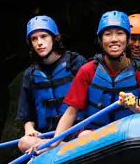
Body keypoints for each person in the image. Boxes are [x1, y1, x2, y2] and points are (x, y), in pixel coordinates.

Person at [30, 11, 140, 153]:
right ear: (100, 40)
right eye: (108, 34)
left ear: (128, 39)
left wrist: (134, 107)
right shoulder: (88, 71)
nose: (114, 39)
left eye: (120, 34)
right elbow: (70, 113)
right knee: (84, 135)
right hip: (96, 136)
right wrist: (54, 143)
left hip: (128, 136)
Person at [16, 16, 88, 153]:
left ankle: (57, 147)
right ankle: (57, 146)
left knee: (87, 136)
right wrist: (29, 129)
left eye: (44, 36)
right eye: (34, 39)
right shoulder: (30, 74)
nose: (39, 43)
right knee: (24, 142)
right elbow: (27, 114)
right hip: (47, 135)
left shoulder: (75, 62)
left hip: (77, 130)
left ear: (54, 38)